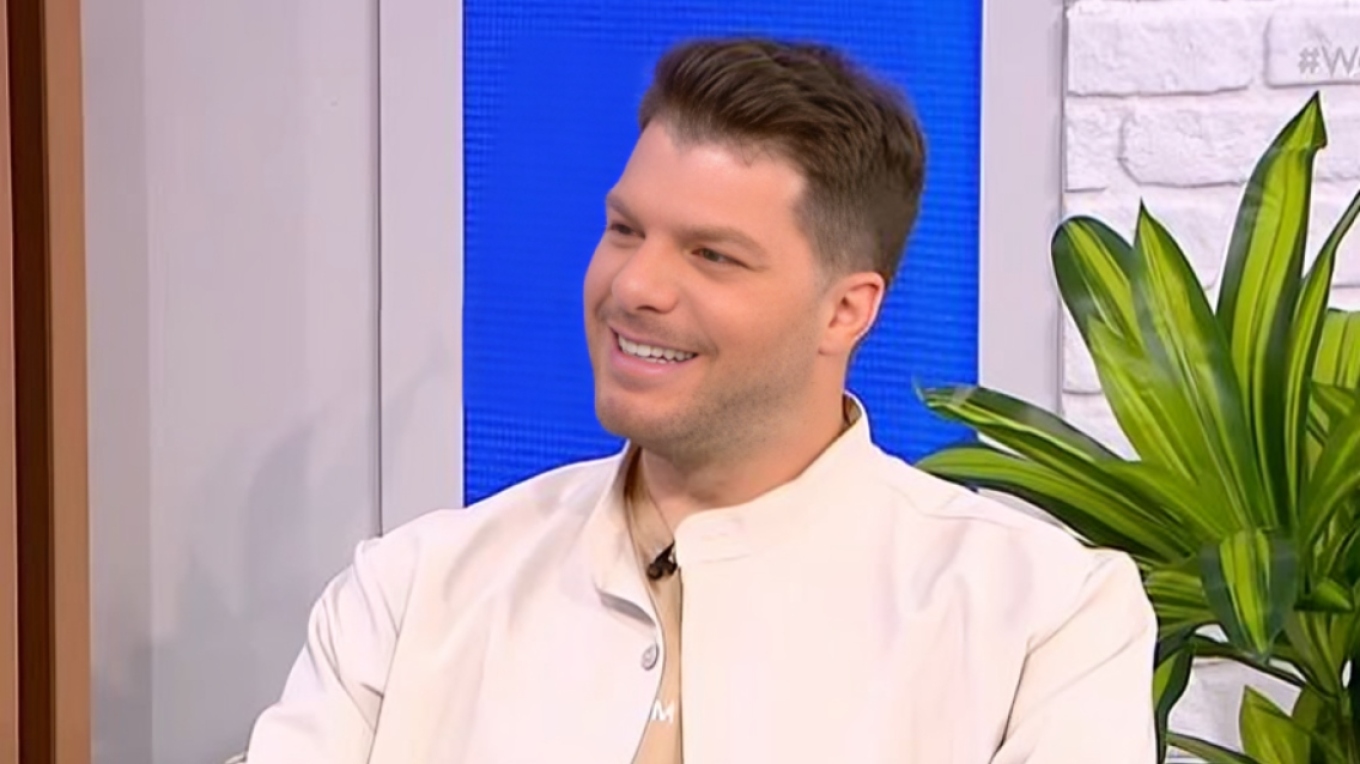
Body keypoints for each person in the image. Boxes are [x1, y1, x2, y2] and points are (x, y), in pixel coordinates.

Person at [242, 36, 1158, 763]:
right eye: (624, 230)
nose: (634, 286)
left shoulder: (1043, 619)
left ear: (846, 310)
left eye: (712, 255)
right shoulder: (411, 593)